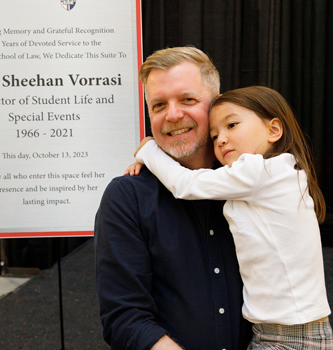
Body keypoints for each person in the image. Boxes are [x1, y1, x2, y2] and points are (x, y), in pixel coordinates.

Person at [130, 86, 331, 349]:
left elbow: (185, 184)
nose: (221, 140)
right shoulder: (279, 172)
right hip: (281, 332)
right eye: (214, 136)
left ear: (274, 130)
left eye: (232, 125)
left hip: (291, 338)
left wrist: (149, 150)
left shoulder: (260, 172)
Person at [95, 46, 253, 350]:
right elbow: (124, 318)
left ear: (217, 104)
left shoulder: (255, 178)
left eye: (188, 100)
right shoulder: (127, 198)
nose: (173, 115)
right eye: (158, 105)